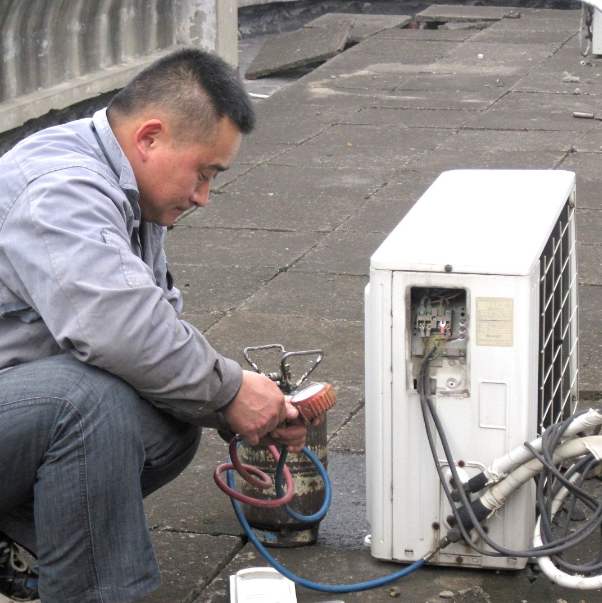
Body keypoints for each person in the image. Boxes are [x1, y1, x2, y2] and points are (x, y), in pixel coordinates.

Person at [0, 48, 309, 602]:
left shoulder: (127, 192)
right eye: (204, 172)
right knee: (87, 402)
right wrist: (232, 392)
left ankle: (18, 547)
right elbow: (117, 331)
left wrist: (234, 406)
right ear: (149, 138)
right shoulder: (61, 189)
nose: (203, 196)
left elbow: (157, 331)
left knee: (169, 418)